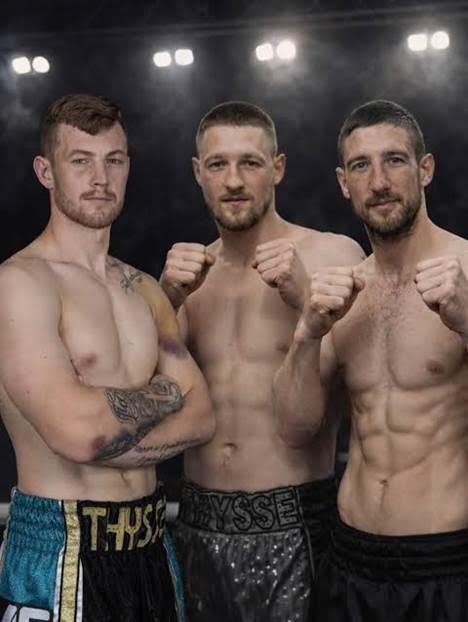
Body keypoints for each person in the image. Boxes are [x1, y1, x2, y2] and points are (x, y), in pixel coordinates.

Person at [0, 93, 214, 622]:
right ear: (45, 172)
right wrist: (166, 394)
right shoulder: (20, 284)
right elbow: (77, 435)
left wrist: (104, 430)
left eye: (113, 160)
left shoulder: (144, 289)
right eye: (81, 161)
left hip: (151, 546)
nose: (100, 177)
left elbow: (203, 415)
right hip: (61, 548)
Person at [159, 101, 364, 622]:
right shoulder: (187, 278)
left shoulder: (333, 255)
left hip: (297, 523)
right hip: (197, 523)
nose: (233, 180)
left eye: (250, 162)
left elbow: (365, 382)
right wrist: (164, 301)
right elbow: (156, 405)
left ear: (277, 168)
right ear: (198, 172)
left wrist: (305, 298)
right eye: (218, 164)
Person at [275, 99, 468, 621]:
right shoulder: (345, 291)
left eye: (395, 160)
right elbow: (295, 429)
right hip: (350, 558)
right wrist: (307, 333)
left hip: (447, 561)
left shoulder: (467, 271)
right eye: (361, 166)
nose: (379, 181)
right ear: (344, 183)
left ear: (425, 169)